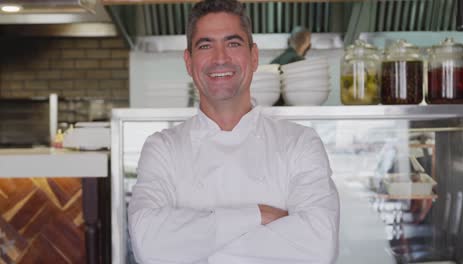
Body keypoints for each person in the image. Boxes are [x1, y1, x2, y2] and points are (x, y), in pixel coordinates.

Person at [128, 0, 339, 263]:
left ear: (253, 56)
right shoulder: (163, 148)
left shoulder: (299, 143)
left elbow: (318, 247)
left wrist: (198, 251)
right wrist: (258, 215)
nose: (220, 58)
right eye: (205, 45)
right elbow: (149, 245)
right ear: (188, 61)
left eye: (233, 43)